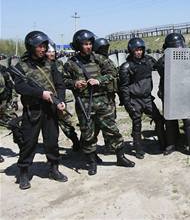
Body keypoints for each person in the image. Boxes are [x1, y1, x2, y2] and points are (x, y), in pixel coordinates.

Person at [63, 30, 135, 176]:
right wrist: (75, 83)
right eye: (85, 44)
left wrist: (99, 80)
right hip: (84, 104)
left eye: (90, 44)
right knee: (88, 134)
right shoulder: (71, 63)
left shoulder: (99, 59)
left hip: (103, 101)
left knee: (112, 130)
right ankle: (91, 162)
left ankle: (120, 157)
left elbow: (113, 73)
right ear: (78, 45)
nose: (88, 47)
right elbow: (63, 81)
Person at [11, 31, 68, 189]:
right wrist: (40, 94)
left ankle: (54, 168)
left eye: (45, 46)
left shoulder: (51, 64)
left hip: (50, 109)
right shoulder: (21, 67)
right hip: (32, 110)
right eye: (40, 46)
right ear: (31, 47)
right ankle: (23, 172)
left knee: (52, 141)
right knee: (29, 142)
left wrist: (60, 100)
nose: (43, 49)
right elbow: (20, 87)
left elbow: (60, 84)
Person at [119, 37, 167, 159]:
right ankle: (138, 149)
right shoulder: (126, 67)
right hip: (134, 100)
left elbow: (160, 65)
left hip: (147, 99)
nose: (139, 52)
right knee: (137, 123)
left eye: (141, 49)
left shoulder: (148, 61)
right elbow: (123, 87)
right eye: (136, 50)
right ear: (131, 51)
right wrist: (127, 104)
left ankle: (163, 143)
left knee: (159, 119)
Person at [157, 33, 190, 157]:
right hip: (169, 93)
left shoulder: (187, 57)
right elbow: (162, 68)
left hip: (184, 92)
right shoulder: (163, 61)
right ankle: (171, 145)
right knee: (170, 120)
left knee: (188, 120)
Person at [45, 42, 80, 151]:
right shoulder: (41, 66)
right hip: (46, 98)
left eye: (53, 51)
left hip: (60, 98)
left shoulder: (59, 64)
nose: (51, 54)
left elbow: (64, 80)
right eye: (49, 52)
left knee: (66, 123)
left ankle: (75, 141)